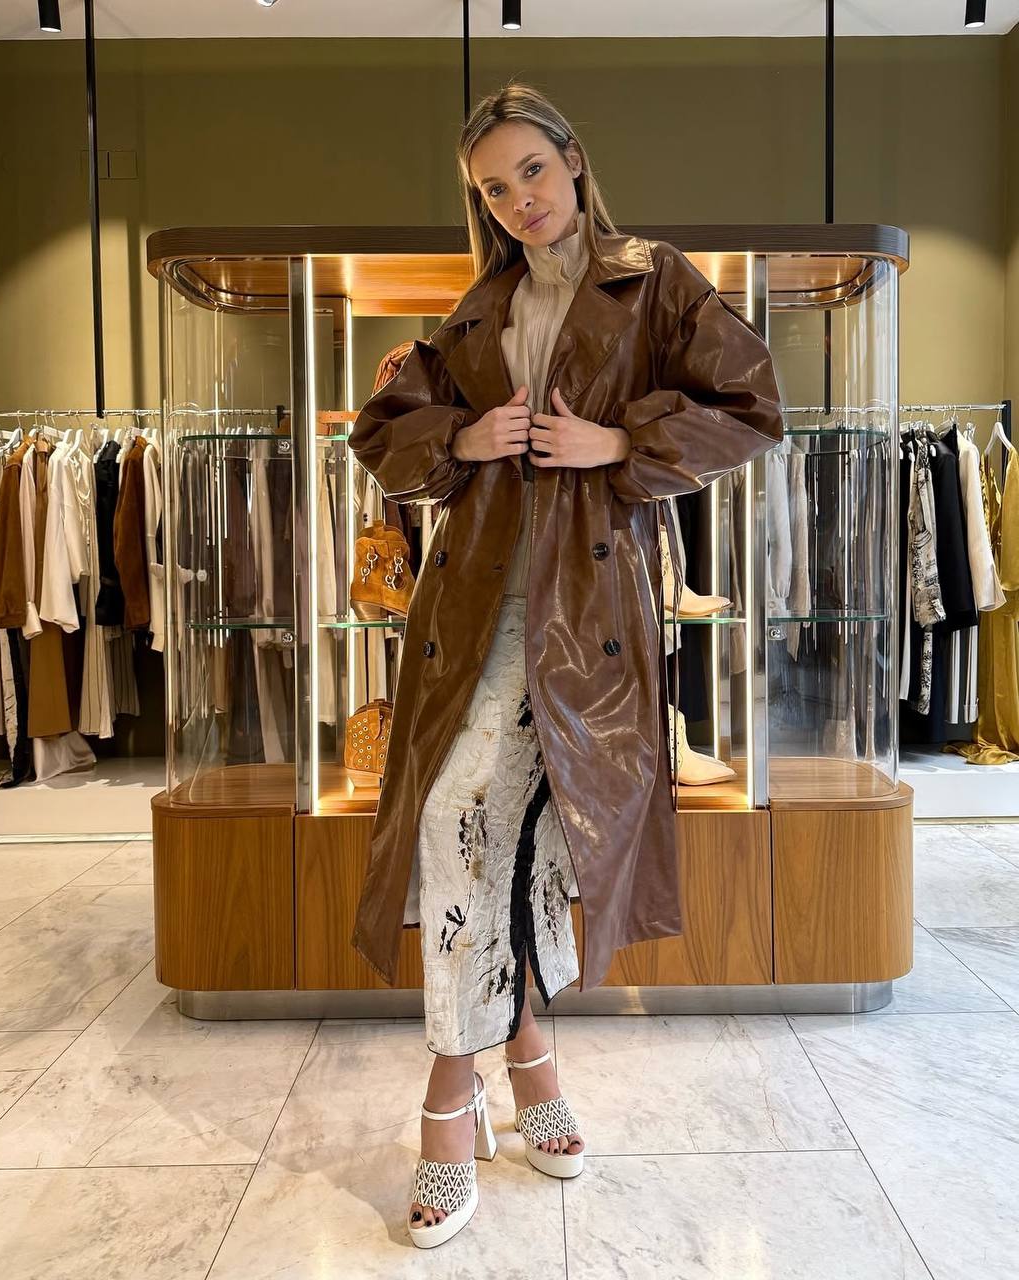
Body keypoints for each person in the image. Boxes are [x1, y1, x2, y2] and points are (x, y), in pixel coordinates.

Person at [346, 82, 785, 1248]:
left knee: (530, 842)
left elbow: (753, 405)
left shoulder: (656, 280)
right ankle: (488, 1079)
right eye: (494, 188)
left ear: (575, 160)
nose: (519, 200)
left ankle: (494, 1078)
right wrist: (460, 435)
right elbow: (382, 433)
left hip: (588, 617)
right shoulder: (476, 309)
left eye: (531, 170)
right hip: (473, 610)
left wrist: (620, 440)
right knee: (462, 827)